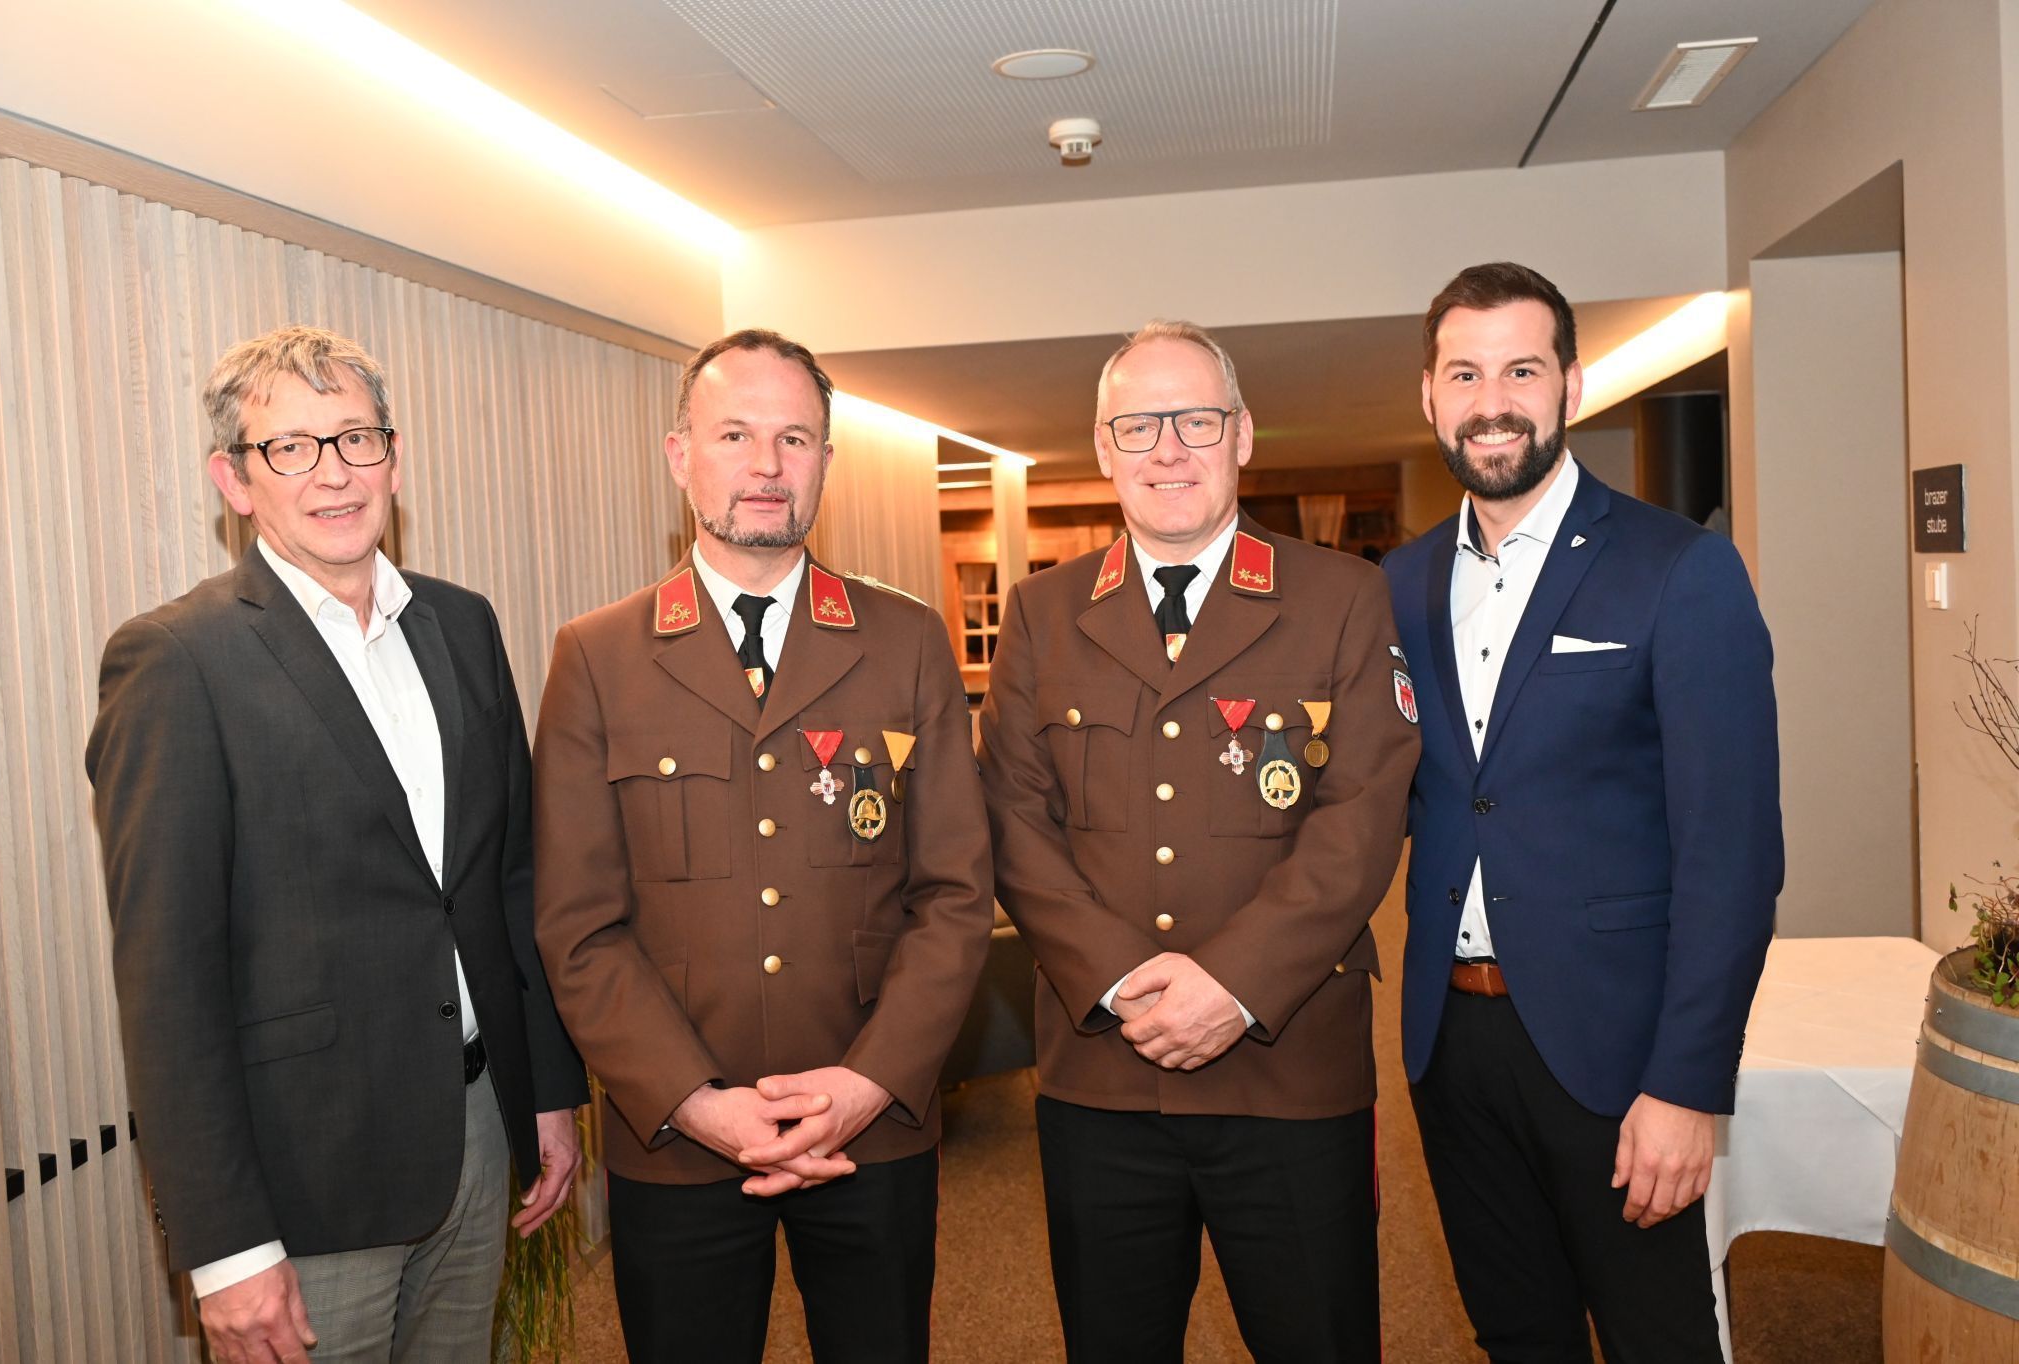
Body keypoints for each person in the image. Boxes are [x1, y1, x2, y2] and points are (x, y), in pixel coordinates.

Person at [85, 326, 588, 1364]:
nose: (333, 473)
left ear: (394, 458)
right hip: (303, 1177)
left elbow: (505, 882)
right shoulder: (178, 659)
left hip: (479, 1132)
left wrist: (545, 1089)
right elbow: (166, 977)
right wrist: (225, 1248)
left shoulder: (462, 623)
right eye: (291, 447)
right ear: (233, 479)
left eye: (355, 438)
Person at [531, 328, 991, 1363]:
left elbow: (955, 893)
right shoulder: (595, 657)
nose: (766, 464)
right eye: (734, 433)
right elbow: (577, 924)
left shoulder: (906, 637)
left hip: (871, 1128)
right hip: (679, 1135)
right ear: (678, 453)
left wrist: (864, 1084)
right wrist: (700, 1104)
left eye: (794, 436)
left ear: (826, 458)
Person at [977, 320, 1419, 1362]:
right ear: (1101, 447)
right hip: (1101, 1071)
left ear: (1243, 435)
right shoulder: (1039, 614)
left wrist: (1231, 982)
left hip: (1288, 1064)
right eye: (1138, 424)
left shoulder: (1342, 597)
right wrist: (1123, 976)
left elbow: (1362, 812)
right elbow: (1009, 817)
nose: (1166, 448)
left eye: (1195, 419)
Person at [1382, 262, 1782, 1362]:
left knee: (1655, 1337)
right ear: (1428, 395)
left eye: (1519, 367)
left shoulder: (1678, 569)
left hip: (1616, 1048)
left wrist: (1685, 1082)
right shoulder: (1401, 583)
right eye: (1463, 372)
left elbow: (1731, 856)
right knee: (1516, 1330)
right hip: (1449, 1042)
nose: (1490, 398)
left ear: (1569, 382)